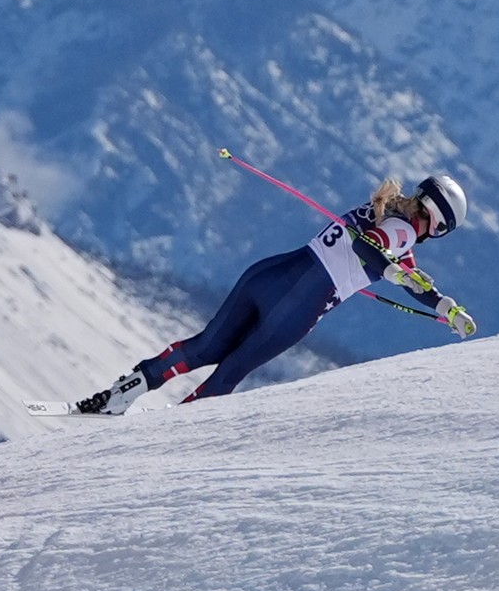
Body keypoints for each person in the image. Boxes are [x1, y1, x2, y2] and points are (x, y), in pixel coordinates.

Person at [76, 175, 478, 415]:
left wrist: (444, 305)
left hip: (272, 273)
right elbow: (370, 247)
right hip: (300, 304)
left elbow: (413, 278)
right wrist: (392, 270)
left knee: (204, 347)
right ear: (439, 225)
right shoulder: (402, 232)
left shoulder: (381, 207)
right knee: (229, 373)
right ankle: (162, 439)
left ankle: (121, 394)